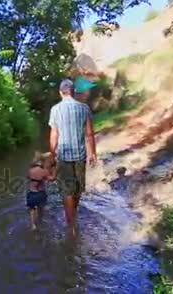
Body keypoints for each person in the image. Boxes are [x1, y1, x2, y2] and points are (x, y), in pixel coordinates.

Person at [48, 79, 97, 235]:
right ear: (73, 91)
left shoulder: (55, 109)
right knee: (77, 189)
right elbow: (89, 134)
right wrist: (93, 153)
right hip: (80, 156)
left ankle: (71, 225)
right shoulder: (84, 108)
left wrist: (51, 154)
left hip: (63, 156)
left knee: (67, 191)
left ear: (61, 92)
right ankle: (73, 216)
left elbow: (54, 134)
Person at [26, 151, 55, 230]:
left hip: (31, 193)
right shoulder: (43, 171)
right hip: (41, 194)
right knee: (40, 209)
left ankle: (33, 225)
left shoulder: (30, 170)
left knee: (32, 210)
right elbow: (52, 178)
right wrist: (54, 169)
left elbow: (28, 177)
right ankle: (40, 222)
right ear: (42, 162)